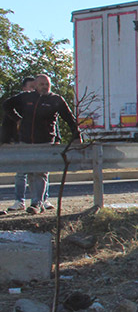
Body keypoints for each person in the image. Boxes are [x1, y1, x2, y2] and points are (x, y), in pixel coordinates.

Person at [2, 74, 80, 214]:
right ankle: (33, 202)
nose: (44, 87)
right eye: (41, 84)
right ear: (36, 85)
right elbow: (7, 104)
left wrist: (76, 136)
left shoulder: (56, 100)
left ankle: (36, 203)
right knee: (30, 172)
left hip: (45, 142)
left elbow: (69, 119)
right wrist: (17, 119)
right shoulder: (26, 97)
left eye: (47, 84)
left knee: (41, 172)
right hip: (26, 141)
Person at [1, 76, 37, 215]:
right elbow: (7, 121)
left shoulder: (41, 103)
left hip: (36, 141)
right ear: (24, 89)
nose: (33, 91)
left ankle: (40, 200)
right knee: (21, 172)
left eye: (36, 87)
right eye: (31, 88)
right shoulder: (17, 103)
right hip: (20, 141)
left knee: (38, 172)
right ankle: (19, 200)